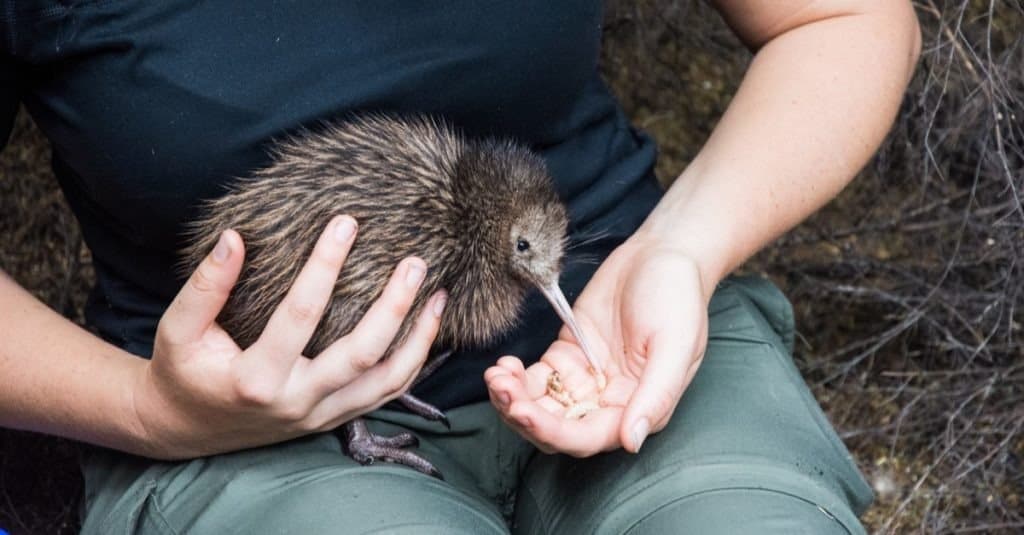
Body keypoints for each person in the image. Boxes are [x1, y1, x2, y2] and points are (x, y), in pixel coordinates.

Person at [0, 1, 920, 533]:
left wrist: (680, 245)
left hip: (624, 330)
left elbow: (842, 15)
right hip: (239, 423)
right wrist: (147, 410)